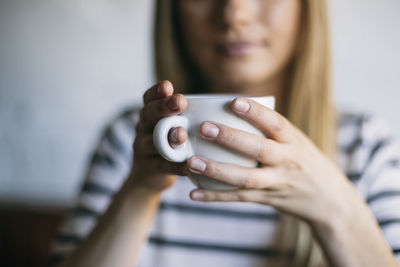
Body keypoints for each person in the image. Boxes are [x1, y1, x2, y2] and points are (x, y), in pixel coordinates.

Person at [50, 0, 400, 266]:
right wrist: (141, 188)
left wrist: (335, 209)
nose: (235, 14)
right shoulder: (129, 139)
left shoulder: (364, 145)